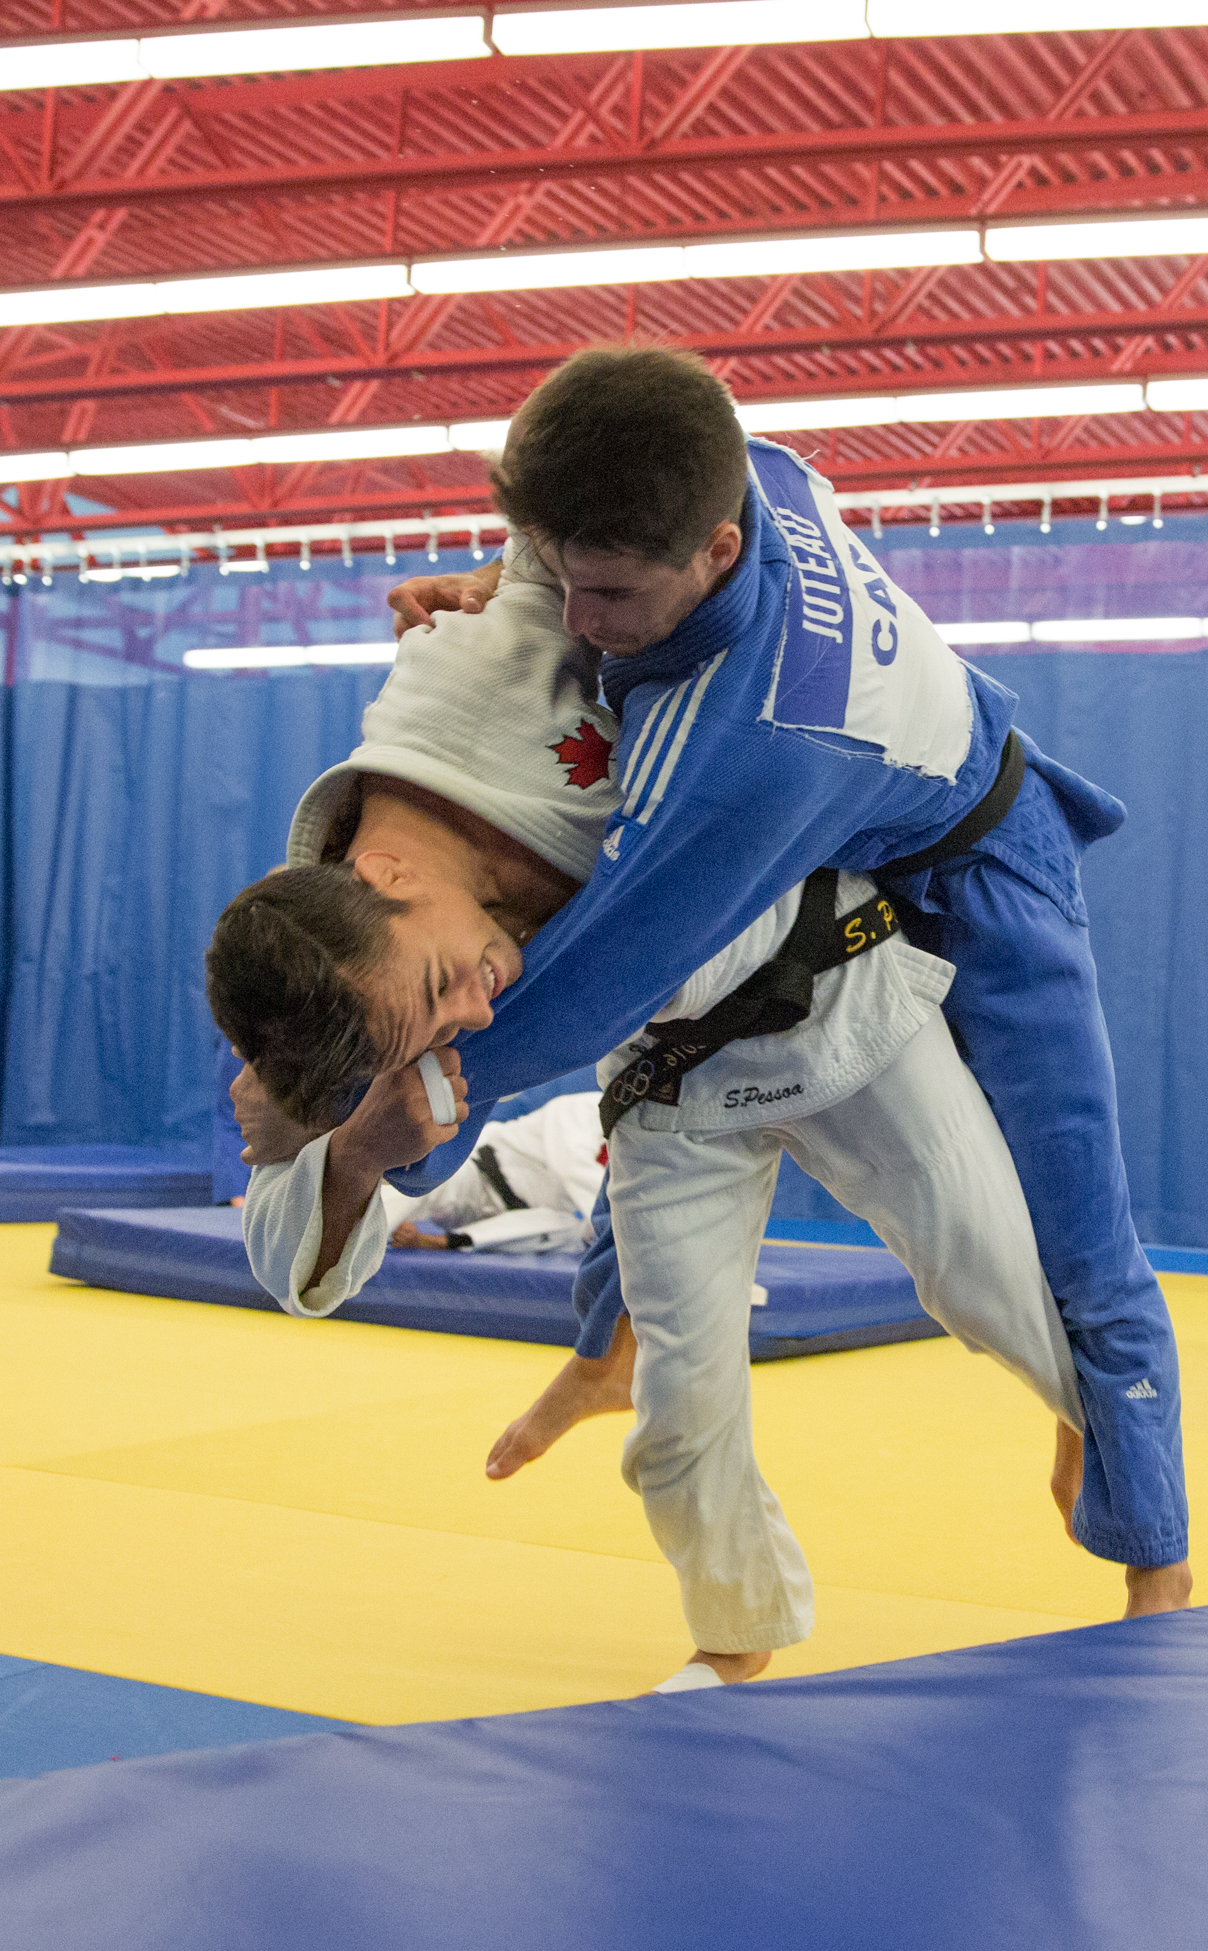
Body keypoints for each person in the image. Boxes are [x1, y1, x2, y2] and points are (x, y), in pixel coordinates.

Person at [378, 346, 1192, 1626]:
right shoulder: (746, 462)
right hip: (861, 803)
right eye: (564, 576)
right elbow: (570, 555)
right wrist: (500, 585)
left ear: (710, 548)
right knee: (670, 1076)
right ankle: (611, 1348)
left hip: (987, 861)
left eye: (609, 592)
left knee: (1077, 1228)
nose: (579, 620)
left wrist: (416, 1107)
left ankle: (1156, 1556)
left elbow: (592, 975)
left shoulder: (747, 744)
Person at [212, 529, 1084, 1690]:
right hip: (670, 1062)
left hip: (833, 984)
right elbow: (291, 1267)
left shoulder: (468, 672)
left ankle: (1106, 1437)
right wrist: (358, 1149)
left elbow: (598, 493)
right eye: (436, 1022)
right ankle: (734, 1633)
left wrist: (503, 568)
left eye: (439, 988)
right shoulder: (332, 1000)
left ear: (393, 879)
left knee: (983, 1271)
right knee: (681, 1408)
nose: (472, 1013)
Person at [379, 1090, 604, 1252]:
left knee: (569, 1228)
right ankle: (351, 1238)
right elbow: (572, 1168)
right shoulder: (580, 1109)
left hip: (514, 1224)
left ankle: (440, 1242)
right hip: (478, 1177)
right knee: (426, 1183)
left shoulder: (632, 1154)